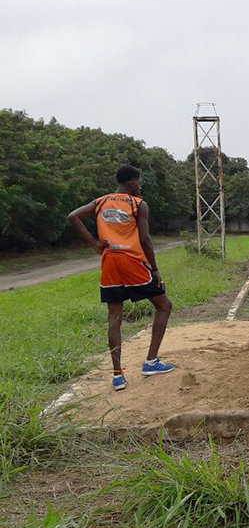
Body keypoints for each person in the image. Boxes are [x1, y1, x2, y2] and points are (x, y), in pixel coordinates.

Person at [67, 165, 174, 391]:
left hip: (110, 261)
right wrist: (154, 269)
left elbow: (73, 216)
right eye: (139, 181)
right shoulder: (138, 204)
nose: (140, 185)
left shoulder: (101, 202)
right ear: (130, 183)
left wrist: (95, 243)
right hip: (132, 261)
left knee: (114, 317)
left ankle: (117, 376)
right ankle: (151, 362)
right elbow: (145, 239)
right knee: (164, 305)